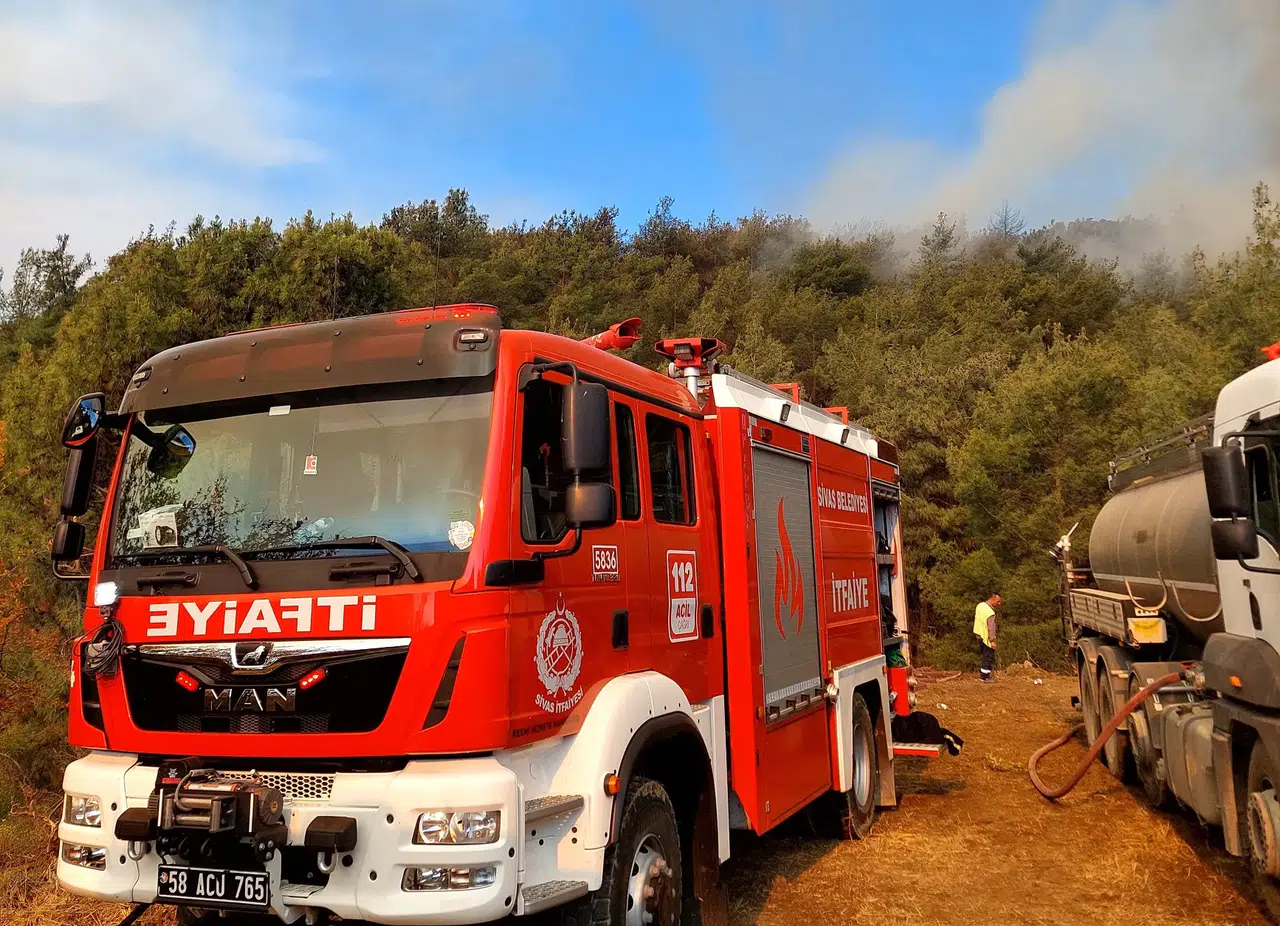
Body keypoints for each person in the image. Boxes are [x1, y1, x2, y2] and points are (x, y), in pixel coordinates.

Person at [973, 593, 1002, 682]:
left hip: (978, 634)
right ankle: (985, 677)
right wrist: (992, 640)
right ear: (993, 599)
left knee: (984, 655)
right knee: (988, 656)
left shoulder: (980, 606)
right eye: (998, 601)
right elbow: (991, 627)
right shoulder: (990, 613)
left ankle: (986, 675)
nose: (999, 604)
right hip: (986, 637)